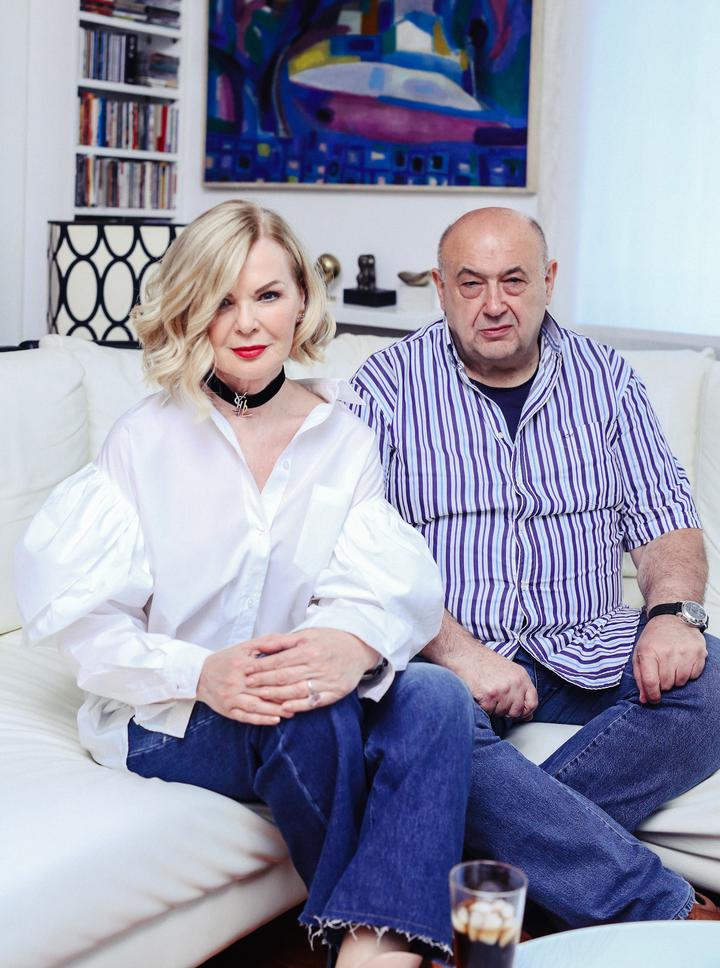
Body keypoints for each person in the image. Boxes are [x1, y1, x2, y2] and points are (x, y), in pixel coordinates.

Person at [14, 200, 476, 968]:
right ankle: (371, 940)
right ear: (191, 310)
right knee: (310, 715)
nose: (247, 322)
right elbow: (91, 631)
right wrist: (201, 673)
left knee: (437, 697)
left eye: (267, 294)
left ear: (301, 301)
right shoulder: (144, 439)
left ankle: (377, 950)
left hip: (299, 691)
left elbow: (375, 586)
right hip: (170, 716)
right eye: (221, 300)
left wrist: (349, 642)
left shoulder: (346, 440)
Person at [351, 206, 720, 929]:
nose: (494, 304)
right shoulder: (385, 387)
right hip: (447, 659)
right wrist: (460, 654)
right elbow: (358, 553)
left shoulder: (607, 380)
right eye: (471, 284)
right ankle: (659, 906)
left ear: (549, 280)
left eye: (514, 281)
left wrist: (672, 616)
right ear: (440, 289)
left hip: (584, 643)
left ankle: (480, 861)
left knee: (716, 678)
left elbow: (668, 523)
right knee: (424, 717)